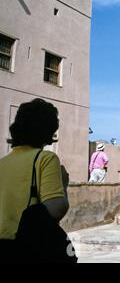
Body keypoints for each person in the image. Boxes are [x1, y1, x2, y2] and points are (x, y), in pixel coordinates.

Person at [0, 98, 70, 261]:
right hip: (27, 248)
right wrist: (64, 185)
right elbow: (56, 209)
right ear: (49, 130)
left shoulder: (2, 163)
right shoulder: (45, 158)